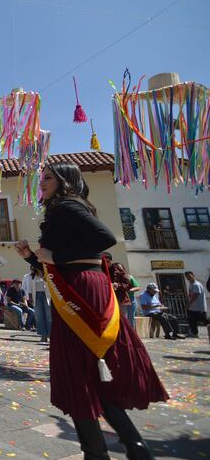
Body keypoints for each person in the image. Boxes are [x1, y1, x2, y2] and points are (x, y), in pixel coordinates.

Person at [15, 162, 167, 459]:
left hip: (83, 293)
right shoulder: (64, 208)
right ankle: (130, 450)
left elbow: (104, 238)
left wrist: (56, 255)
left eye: (48, 178)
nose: (42, 182)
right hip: (77, 286)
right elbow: (59, 267)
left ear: (64, 180)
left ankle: (101, 453)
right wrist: (33, 259)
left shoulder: (67, 206)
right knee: (89, 375)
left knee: (79, 372)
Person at [25, 265, 51, 342]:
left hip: (47, 297)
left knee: (49, 316)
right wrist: (30, 298)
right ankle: (43, 335)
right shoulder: (32, 276)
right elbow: (29, 288)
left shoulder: (47, 274)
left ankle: (50, 334)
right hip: (36, 296)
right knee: (39, 316)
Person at [186, 271, 207, 337]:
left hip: (199, 307)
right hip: (193, 307)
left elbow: (196, 295)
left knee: (205, 321)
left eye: (189, 276)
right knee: (192, 321)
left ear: (193, 275)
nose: (188, 278)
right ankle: (194, 333)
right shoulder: (191, 284)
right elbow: (190, 294)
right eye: (187, 277)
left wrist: (189, 303)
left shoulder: (196, 284)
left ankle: (194, 333)